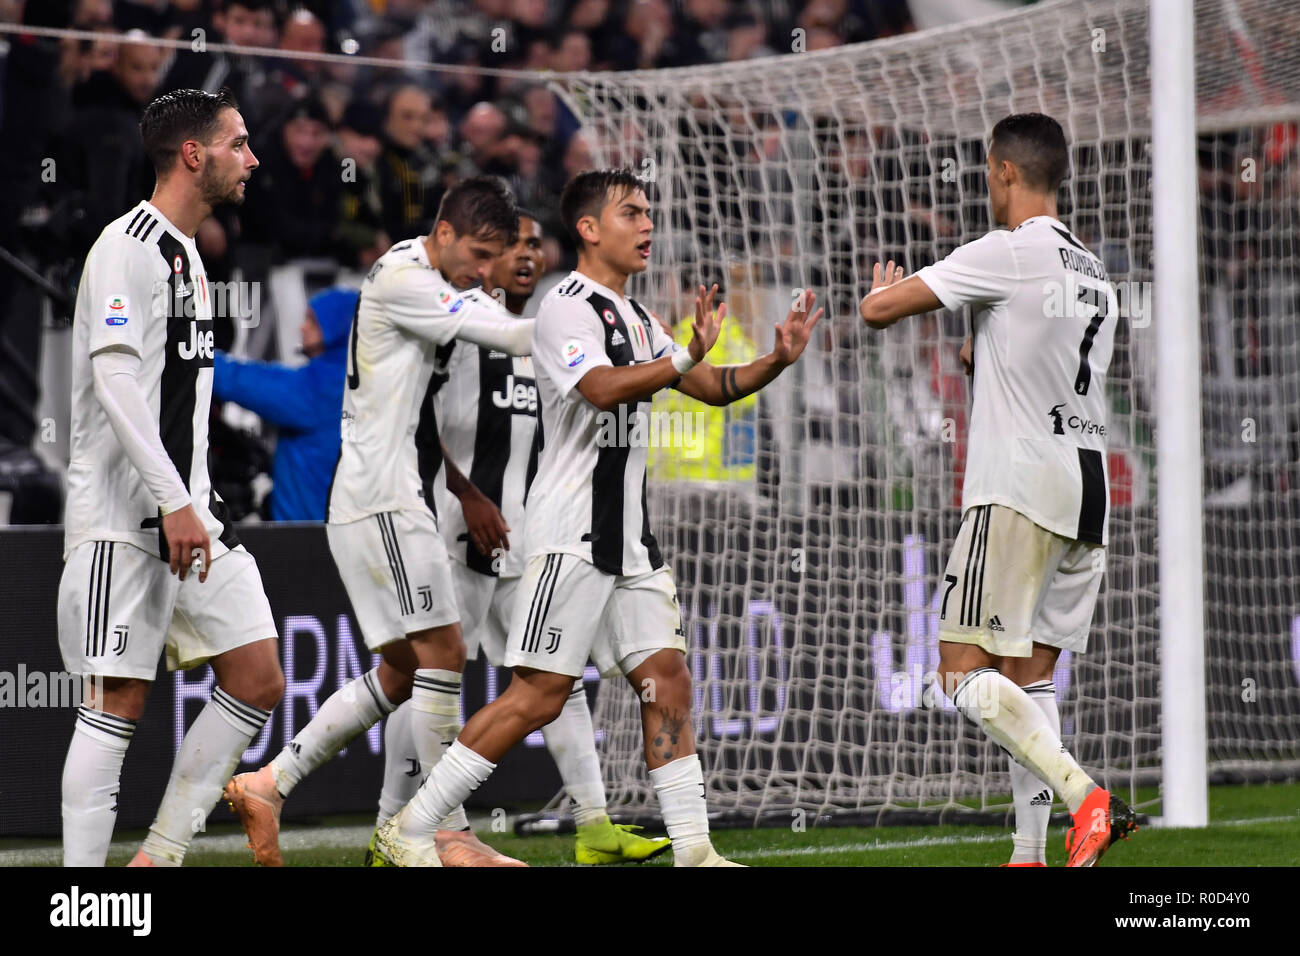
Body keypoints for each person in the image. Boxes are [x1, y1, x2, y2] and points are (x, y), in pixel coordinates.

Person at [369, 168, 823, 867]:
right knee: (541, 694)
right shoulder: (564, 306)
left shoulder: (637, 317)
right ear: (588, 228)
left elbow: (709, 387)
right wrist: (679, 356)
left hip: (630, 540)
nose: (647, 225)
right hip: (572, 534)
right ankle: (413, 824)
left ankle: (695, 851)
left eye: (649, 213)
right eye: (631, 213)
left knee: (666, 677)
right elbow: (598, 388)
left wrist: (777, 359)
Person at [224, 177, 537, 867]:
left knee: (403, 670)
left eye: (494, 259)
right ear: (446, 233)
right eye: (478, 254)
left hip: (383, 497)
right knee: (445, 653)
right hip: (384, 501)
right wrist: (573, 326)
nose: (483, 272)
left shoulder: (416, 271)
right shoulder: (407, 278)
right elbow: (508, 332)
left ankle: (269, 783)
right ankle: (441, 832)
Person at [859, 112, 1137, 868]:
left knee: (958, 668)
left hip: (1018, 483)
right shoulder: (1096, 271)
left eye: (988, 173)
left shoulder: (1008, 251)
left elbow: (878, 312)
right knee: (1031, 676)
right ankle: (1027, 854)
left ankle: (1089, 800)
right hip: (1088, 486)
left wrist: (879, 292)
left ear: (1004, 172)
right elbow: (1025, 360)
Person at [374, 214, 672, 864]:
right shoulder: (457, 334)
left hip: (527, 535)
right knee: (429, 677)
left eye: (538, 244)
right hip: (456, 532)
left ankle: (593, 824)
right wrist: (467, 495)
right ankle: (397, 826)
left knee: (549, 681)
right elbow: (415, 424)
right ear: (487, 257)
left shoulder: (551, 331)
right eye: (515, 245)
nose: (529, 255)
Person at [57, 87, 284, 867]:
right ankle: (84, 898)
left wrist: (191, 503)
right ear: (195, 154)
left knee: (257, 676)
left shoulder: (188, 256)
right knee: (116, 700)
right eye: (239, 143)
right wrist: (174, 500)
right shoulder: (126, 246)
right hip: (123, 522)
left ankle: (158, 856)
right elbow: (117, 384)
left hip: (190, 518)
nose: (252, 159)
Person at [212, 287, 357, 521]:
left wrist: (193, 353)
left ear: (336, 328)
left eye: (312, 321)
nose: (302, 327)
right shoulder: (360, 382)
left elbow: (237, 380)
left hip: (306, 537)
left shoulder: (320, 388)